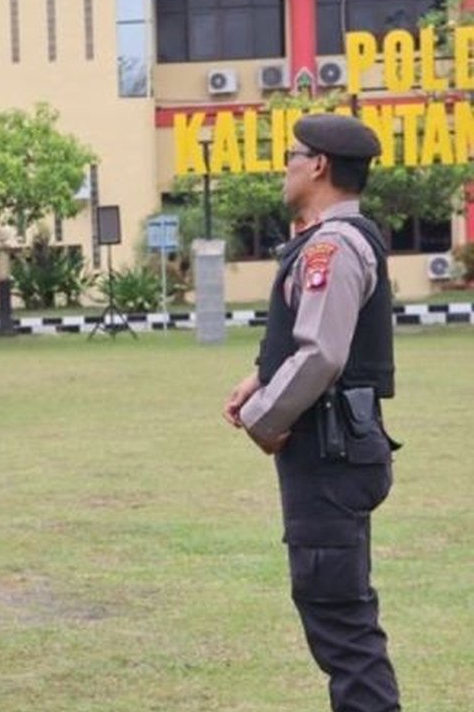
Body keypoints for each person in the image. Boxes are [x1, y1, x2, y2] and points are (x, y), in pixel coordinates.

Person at [222, 114, 400, 712]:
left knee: (342, 626)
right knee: (339, 617)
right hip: (338, 449)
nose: (285, 165)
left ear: (318, 165)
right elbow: (314, 336)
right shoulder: (336, 239)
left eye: (291, 154)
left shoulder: (331, 246)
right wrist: (261, 377)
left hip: (329, 454)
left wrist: (263, 418)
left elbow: (323, 354)